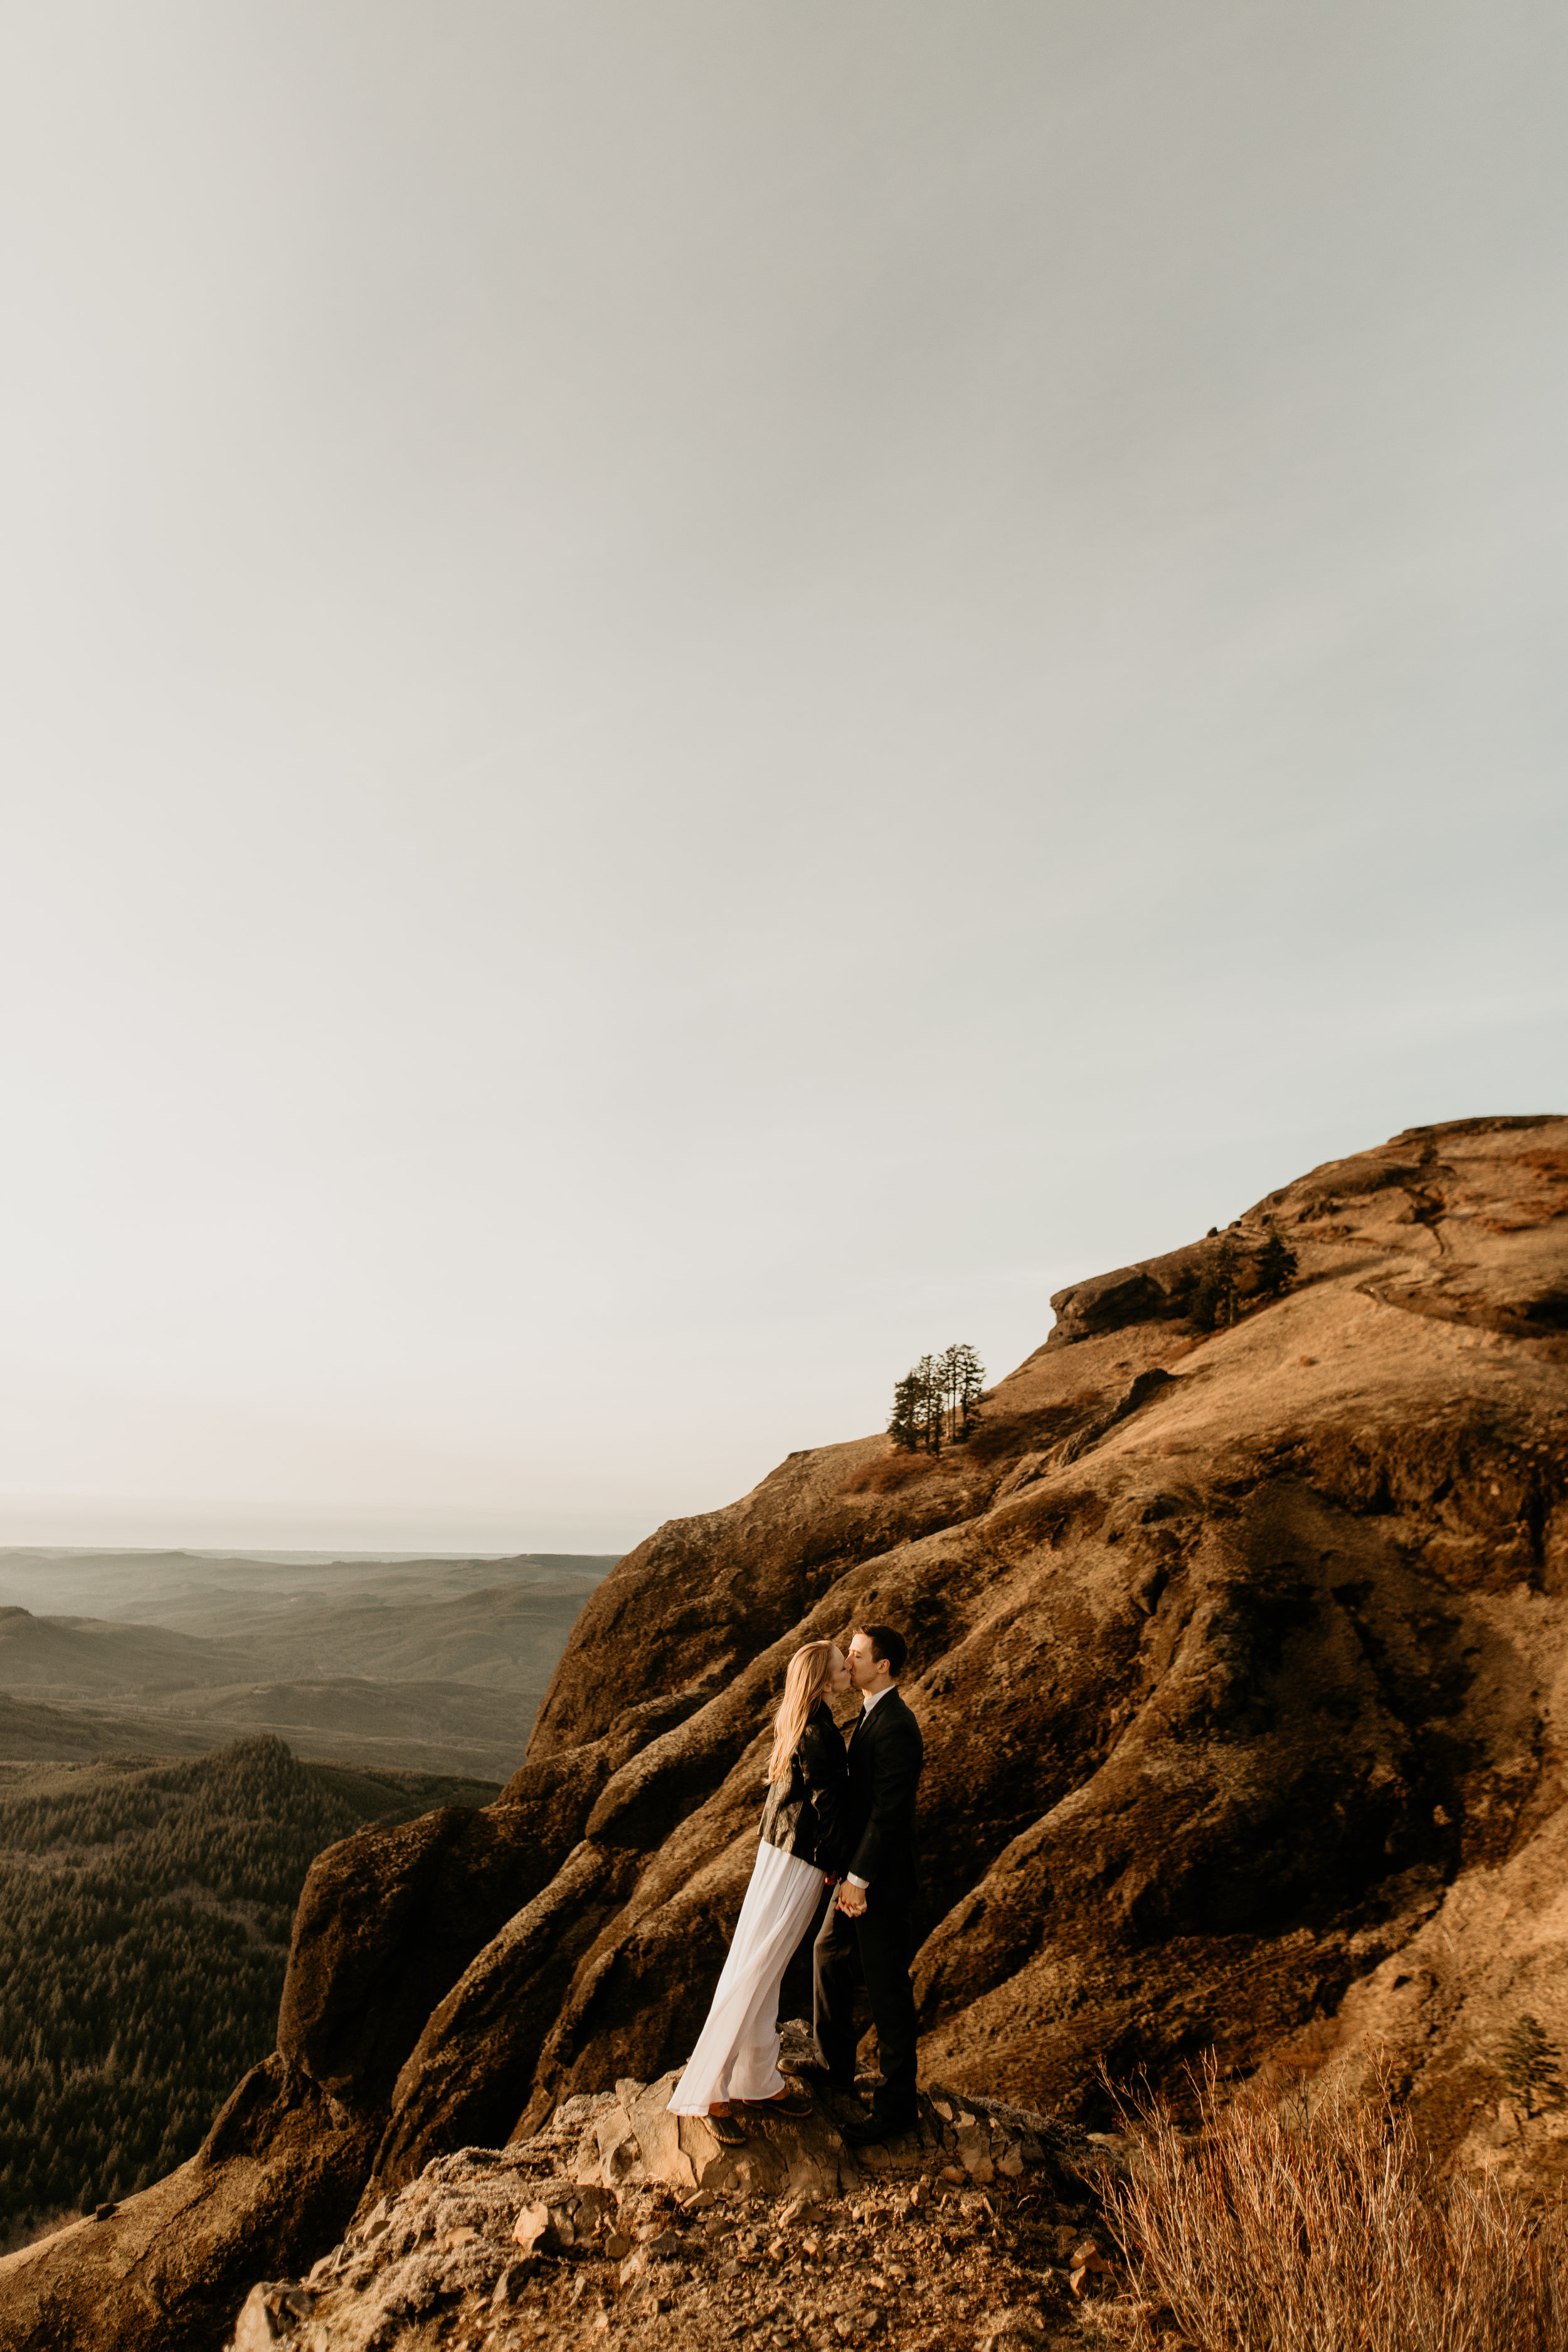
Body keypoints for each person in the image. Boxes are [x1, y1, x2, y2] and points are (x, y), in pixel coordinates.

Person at [668, 1639, 852, 2131]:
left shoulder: (804, 1722)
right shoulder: (820, 1733)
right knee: (756, 1970)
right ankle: (708, 2092)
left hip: (780, 1855)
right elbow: (828, 1807)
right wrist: (840, 1865)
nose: (849, 1670)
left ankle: (756, 2081)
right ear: (822, 1679)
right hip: (800, 1861)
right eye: (841, 1666)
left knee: (762, 1968)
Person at [810, 1623, 924, 2145]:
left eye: (856, 1655)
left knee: (887, 1989)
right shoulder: (871, 1714)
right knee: (829, 1956)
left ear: (884, 1667)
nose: (847, 1661)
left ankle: (896, 2107)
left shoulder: (898, 1724)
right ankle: (835, 2072)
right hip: (856, 1874)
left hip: (879, 1881)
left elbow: (890, 1813)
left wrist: (858, 1879)